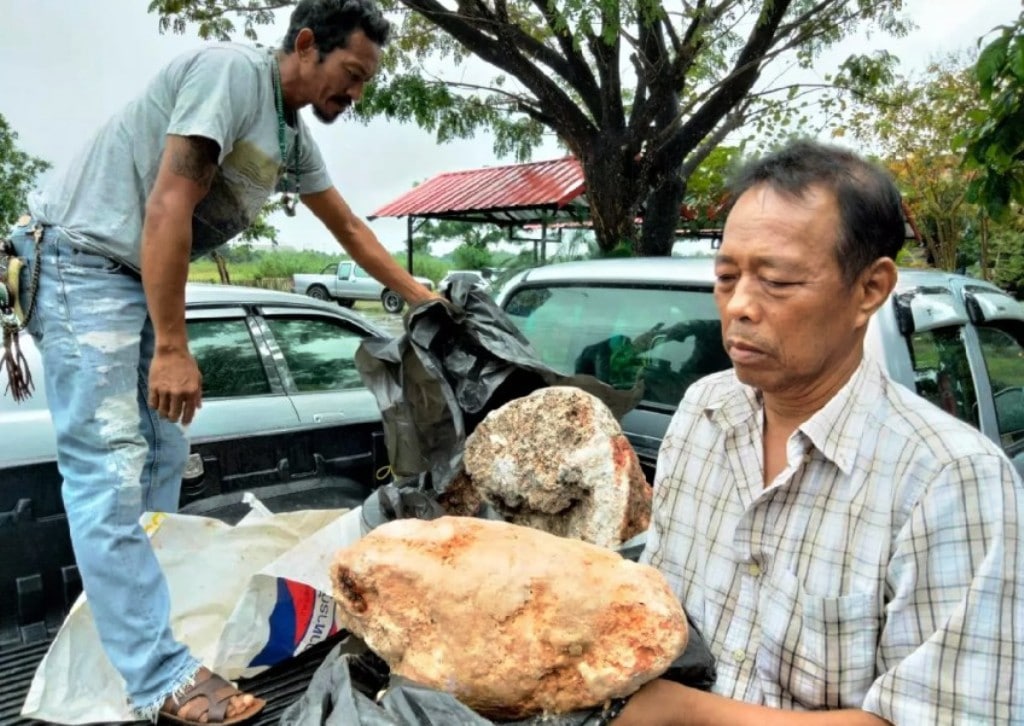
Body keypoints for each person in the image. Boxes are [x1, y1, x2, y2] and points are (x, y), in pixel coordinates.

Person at [7, 0, 434, 722]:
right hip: (84, 265)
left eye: (364, 84)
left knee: (163, 454)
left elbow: (351, 227)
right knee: (110, 469)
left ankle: (137, 640)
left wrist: (426, 301)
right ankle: (155, 677)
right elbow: (169, 205)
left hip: (131, 279)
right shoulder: (232, 74)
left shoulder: (290, 138)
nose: (355, 95)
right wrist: (173, 348)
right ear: (306, 43)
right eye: (351, 74)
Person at [614, 140, 1023, 724]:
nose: (740, 307)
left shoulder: (952, 481)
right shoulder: (704, 411)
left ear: (870, 290)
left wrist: (681, 714)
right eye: (726, 276)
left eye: (777, 282)